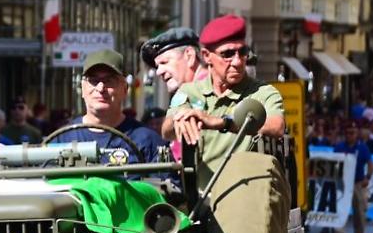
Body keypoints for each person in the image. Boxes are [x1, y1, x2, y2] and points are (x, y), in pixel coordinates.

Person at [163, 14, 286, 186]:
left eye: (242, 52)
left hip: (245, 199)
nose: (237, 61)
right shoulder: (190, 92)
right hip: (200, 200)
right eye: (227, 54)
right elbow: (166, 130)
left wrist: (223, 123)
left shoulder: (263, 92)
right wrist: (181, 118)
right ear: (206, 56)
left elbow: (276, 126)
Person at [49, 49, 165, 164]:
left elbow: (165, 181)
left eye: (109, 81)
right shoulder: (62, 140)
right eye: (93, 81)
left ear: (124, 89)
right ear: (83, 89)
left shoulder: (146, 141)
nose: (100, 88)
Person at [331, 122, 373, 233]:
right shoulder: (339, 147)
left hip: (358, 183)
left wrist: (368, 177)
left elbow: (371, 164)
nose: (350, 135)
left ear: (357, 134)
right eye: (348, 133)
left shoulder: (362, 148)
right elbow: (333, 163)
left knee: (360, 213)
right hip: (343, 183)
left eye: (353, 133)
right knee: (340, 210)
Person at [141, 27, 205, 95]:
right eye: (157, 66)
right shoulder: (191, 95)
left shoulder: (213, 92)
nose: (158, 72)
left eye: (164, 62)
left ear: (190, 56)